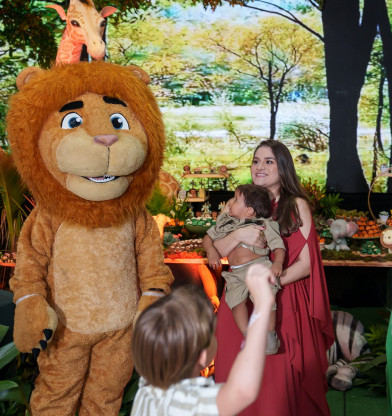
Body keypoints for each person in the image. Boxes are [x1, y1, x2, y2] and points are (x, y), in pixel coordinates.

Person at [204, 139, 334, 415]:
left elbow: (307, 264)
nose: (259, 166)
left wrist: (266, 286)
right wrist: (238, 234)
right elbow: (218, 249)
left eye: (268, 161)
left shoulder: (295, 205)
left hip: (280, 301)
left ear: (283, 167)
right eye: (255, 161)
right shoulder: (237, 203)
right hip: (238, 300)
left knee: (274, 386)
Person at [130, 263, 276, 416]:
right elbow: (242, 391)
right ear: (202, 355)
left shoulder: (147, 392)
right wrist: (262, 305)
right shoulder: (184, 402)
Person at [205, 184, 285, 354]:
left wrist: (278, 263)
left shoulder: (264, 224)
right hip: (236, 272)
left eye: (235, 200)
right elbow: (207, 238)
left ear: (249, 211)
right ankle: (247, 334)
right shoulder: (227, 222)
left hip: (258, 267)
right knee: (235, 301)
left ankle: (270, 334)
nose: (230, 203)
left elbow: (278, 247)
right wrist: (211, 252)